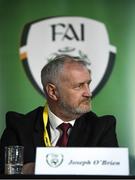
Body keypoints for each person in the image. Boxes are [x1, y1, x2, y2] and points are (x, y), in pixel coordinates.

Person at [0, 54, 118, 174]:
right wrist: (34, 168)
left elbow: (111, 174)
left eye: (88, 84)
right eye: (79, 86)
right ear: (52, 92)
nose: (88, 93)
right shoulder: (19, 126)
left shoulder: (102, 128)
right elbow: (4, 172)